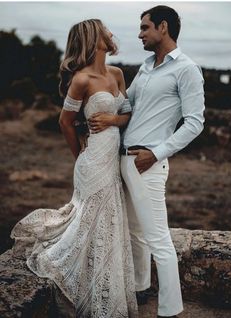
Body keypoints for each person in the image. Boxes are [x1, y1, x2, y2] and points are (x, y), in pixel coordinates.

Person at [10, 19, 138, 318]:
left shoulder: (117, 73)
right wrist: (79, 154)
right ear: (95, 38)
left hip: (113, 156)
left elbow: (128, 113)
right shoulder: (81, 79)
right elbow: (65, 122)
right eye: (105, 30)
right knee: (93, 219)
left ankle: (106, 288)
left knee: (109, 221)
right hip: (93, 159)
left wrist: (112, 120)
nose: (111, 32)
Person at [90, 5, 205, 318]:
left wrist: (157, 153)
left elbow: (195, 123)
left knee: (159, 240)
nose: (139, 34)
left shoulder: (186, 69)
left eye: (144, 28)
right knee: (135, 233)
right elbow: (131, 106)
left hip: (149, 162)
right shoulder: (145, 67)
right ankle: (140, 289)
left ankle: (169, 310)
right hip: (124, 159)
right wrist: (102, 100)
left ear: (163, 27)